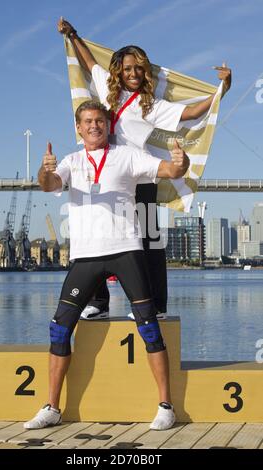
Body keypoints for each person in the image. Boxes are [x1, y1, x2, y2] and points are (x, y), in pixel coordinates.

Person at [24, 100, 190, 430]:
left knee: (148, 327)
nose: (94, 126)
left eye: (99, 121)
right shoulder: (71, 161)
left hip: (126, 250)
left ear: (108, 125)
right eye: (87, 122)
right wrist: (44, 170)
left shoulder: (126, 156)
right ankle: (52, 408)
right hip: (85, 256)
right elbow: (49, 185)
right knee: (59, 329)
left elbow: (169, 171)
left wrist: (180, 164)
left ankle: (166, 406)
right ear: (78, 128)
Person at [57, 18, 232, 321]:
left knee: (150, 243)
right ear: (118, 72)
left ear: (145, 71)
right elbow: (88, 62)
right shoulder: (107, 91)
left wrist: (222, 90)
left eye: (139, 68)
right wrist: (72, 35)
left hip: (140, 178)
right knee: (98, 237)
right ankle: (99, 303)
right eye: (127, 68)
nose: (133, 73)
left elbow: (191, 112)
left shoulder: (152, 105)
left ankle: (157, 306)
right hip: (107, 176)